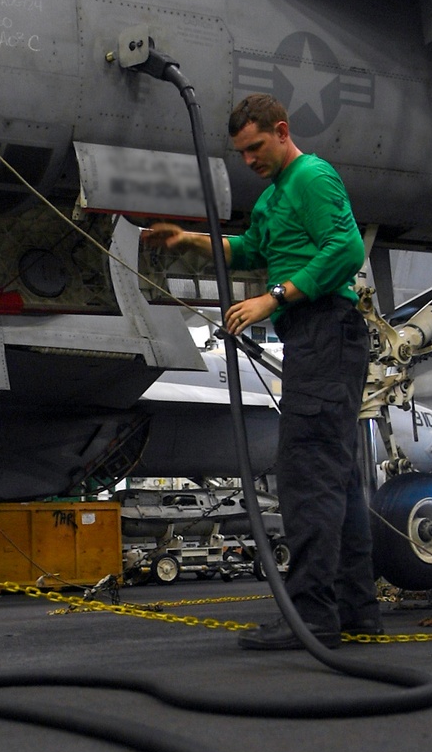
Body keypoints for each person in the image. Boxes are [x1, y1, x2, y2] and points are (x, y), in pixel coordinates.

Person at [142, 93, 381, 649]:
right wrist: (191, 242)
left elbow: (345, 249)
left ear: (281, 130)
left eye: (255, 148)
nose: (248, 160)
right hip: (317, 341)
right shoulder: (276, 198)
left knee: (306, 478)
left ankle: (313, 618)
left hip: (326, 332)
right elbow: (253, 248)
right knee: (337, 480)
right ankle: (354, 610)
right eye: (240, 153)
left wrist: (272, 300)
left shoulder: (311, 177)